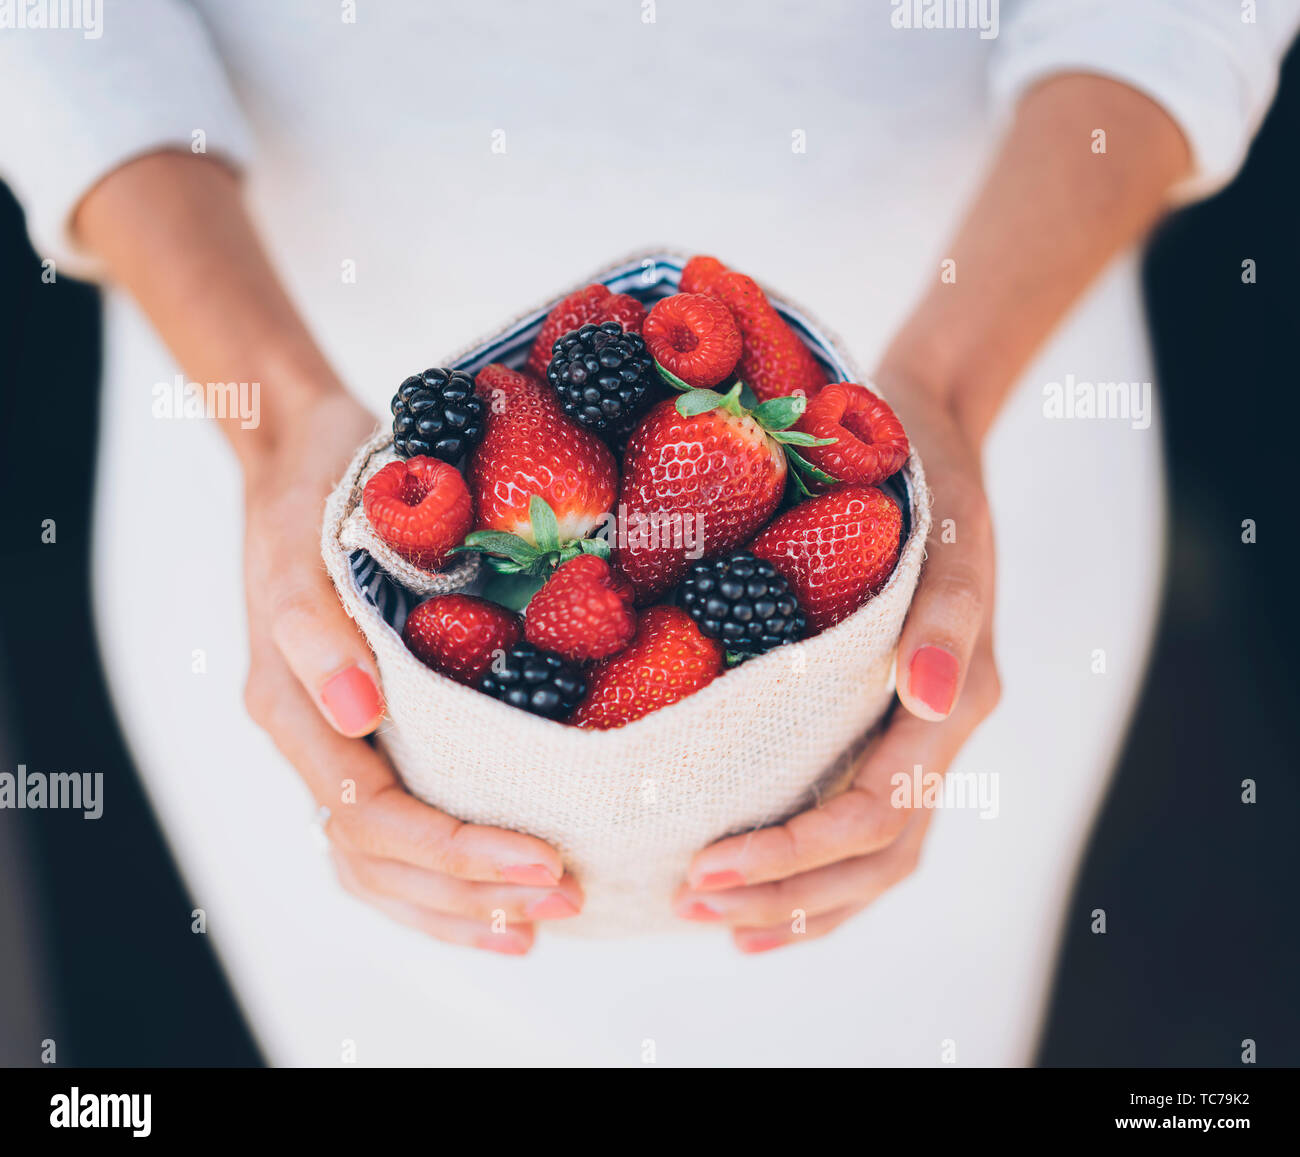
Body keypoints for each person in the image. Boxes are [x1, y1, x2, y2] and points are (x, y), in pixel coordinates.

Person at [1, 1, 1295, 1065]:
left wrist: (944, 396)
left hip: (951, 417)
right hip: (272, 429)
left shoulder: (862, 471)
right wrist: (280, 424)